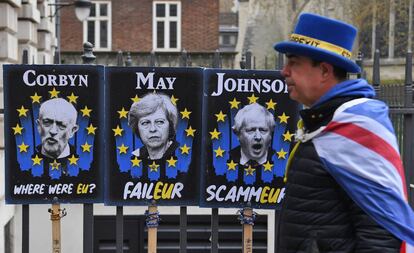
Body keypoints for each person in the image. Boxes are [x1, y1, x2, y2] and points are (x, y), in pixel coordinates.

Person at [273, 13, 414, 252]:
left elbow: (381, 233)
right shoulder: (323, 122)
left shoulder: (354, 128)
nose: (284, 71)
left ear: (325, 71)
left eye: (294, 62)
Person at [128, 93, 179, 178]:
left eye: (159, 122)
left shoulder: (181, 155)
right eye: (145, 123)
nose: (152, 129)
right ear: (137, 128)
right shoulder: (134, 158)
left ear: (170, 125)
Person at [34, 98, 79, 176]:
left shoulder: (82, 163)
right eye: (47, 123)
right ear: (38, 126)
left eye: (61, 125)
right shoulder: (27, 162)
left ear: (72, 131)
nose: (53, 131)